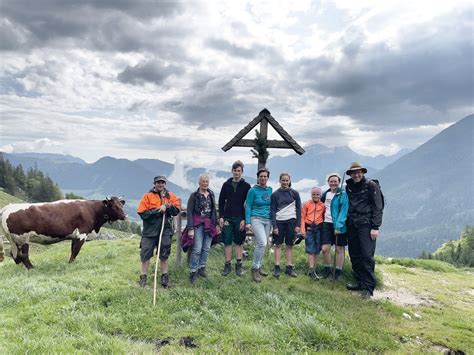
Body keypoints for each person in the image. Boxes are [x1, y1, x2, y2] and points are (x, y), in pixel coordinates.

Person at [345, 162, 384, 299]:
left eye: (358, 172)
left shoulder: (371, 186)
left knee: (367, 255)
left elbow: (378, 207)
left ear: (362, 173)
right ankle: (360, 282)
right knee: (354, 254)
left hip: (366, 225)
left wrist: (375, 227)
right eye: (353, 173)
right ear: (350, 174)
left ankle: (368, 287)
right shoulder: (348, 187)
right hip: (352, 224)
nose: (356, 175)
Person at [137, 175, 180, 288]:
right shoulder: (147, 196)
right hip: (149, 232)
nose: (160, 184)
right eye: (158, 182)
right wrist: (157, 211)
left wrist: (167, 206)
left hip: (165, 230)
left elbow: (176, 210)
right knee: (145, 255)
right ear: (154, 184)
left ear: (165, 184)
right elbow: (142, 213)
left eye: (162, 183)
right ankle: (143, 279)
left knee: (164, 255)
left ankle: (165, 280)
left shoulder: (170, 196)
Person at [218, 160, 251, 276]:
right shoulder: (226, 185)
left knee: (239, 242)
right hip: (227, 217)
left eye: (239, 171)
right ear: (232, 171)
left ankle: (239, 266)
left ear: (242, 172)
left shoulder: (246, 186)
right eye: (235, 170)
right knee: (227, 241)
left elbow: (248, 204)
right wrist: (221, 216)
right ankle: (227, 266)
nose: (236, 173)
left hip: (240, 218)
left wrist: (245, 219)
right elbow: (221, 201)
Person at [187, 174, 220, 284]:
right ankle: (193, 271)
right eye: (203, 181)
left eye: (207, 181)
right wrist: (190, 228)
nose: (205, 183)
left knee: (206, 248)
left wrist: (216, 224)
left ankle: (202, 268)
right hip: (198, 225)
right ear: (199, 183)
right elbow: (189, 212)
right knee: (197, 248)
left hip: (209, 225)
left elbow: (214, 210)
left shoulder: (211, 194)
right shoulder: (194, 196)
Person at [270, 172, 301, 278]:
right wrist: (274, 226)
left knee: (289, 245)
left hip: (291, 222)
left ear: (289, 181)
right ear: (280, 181)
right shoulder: (275, 194)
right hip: (279, 222)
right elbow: (273, 211)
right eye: (283, 180)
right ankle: (277, 267)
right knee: (278, 244)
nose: (285, 182)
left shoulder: (295, 193)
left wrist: (298, 225)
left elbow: (298, 209)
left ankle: (289, 268)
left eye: (287, 180)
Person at [245, 167, 273, 283]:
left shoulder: (270, 190)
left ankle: (259, 266)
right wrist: (247, 222)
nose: (263, 178)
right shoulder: (253, 190)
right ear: (258, 177)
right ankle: (255, 268)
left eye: (265, 176)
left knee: (262, 244)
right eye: (261, 176)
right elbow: (248, 206)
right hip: (256, 219)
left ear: (267, 178)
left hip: (268, 220)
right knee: (262, 242)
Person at [320, 173, 349, 281]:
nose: (333, 183)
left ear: (339, 182)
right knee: (325, 249)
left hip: (339, 224)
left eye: (335, 181)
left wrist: (338, 226)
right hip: (326, 223)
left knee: (339, 248)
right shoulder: (326, 194)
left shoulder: (342, 194)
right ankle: (327, 270)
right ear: (328, 182)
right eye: (331, 181)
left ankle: (337, 272)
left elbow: (344, 211)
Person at [300, 187, 325, 281]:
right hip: (309, 229)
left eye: (317, 194)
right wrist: (303, 231)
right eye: (313, 194)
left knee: (317, 250)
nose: (315, 196)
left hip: (318, 229)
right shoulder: (307, 204)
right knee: (310, 249)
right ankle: (311, 269)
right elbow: (302, 218)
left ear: (320, 195)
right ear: (311, 195)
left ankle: (313, 268)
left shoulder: (322, 206)